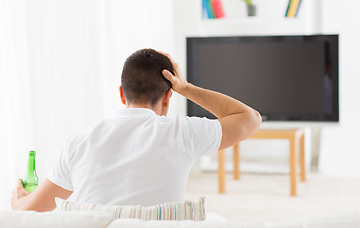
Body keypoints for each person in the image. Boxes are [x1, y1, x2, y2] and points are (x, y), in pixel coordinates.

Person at [11, 49, 261, 211]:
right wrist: (186, 87)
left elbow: (32, 210)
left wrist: (17, 200)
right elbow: (250, 118)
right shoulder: (183, 132)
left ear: (121, 93)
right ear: (167, 97)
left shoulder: (80, 141)